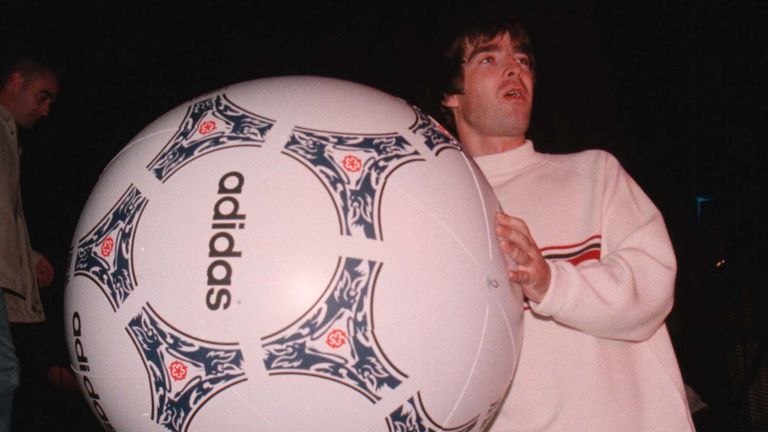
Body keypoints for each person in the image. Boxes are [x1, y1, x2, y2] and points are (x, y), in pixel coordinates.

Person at [435, 15, 695, 431]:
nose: (514, 68)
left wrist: (550, 284)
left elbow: (654, 287)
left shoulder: (595, 175)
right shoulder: (437, 210)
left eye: (523, 59)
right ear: (451, 94)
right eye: (488, 58)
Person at [0, 58, 58, 432]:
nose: (45, 110)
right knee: (5, 373)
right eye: (42, 97)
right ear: (16, 81)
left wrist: (27, 256)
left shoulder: (8, 137)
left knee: (7, 374)